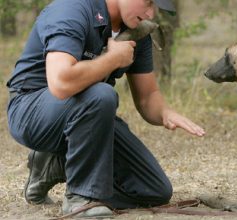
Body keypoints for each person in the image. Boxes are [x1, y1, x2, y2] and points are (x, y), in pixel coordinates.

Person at [6, 0, 205, 218]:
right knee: (101, 94)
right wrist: (112, 59)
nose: (150, 13)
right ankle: (81, 197)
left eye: (155, 7)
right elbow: (61, 83)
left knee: (154, 190)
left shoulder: (137, 31)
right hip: (30, 110)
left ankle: (54, 165)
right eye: (147, 2)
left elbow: (148, 97)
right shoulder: (72, 9)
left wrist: (165, 112)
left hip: (88, 114)